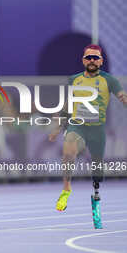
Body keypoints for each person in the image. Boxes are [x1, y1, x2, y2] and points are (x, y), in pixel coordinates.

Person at [49, 44, 127, 211]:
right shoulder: (74, 80)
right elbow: (67, 105)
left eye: (95, 58)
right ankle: (66, 189)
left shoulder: (109, 80)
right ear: (83, 60)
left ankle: (96, 189)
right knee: (69, 150)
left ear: (101, 61)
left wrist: (124, 99)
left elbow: (122, 96)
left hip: (97, 129)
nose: (92, 60)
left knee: (97, 169)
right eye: (89, 57)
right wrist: (57, 127)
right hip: (77, 126)